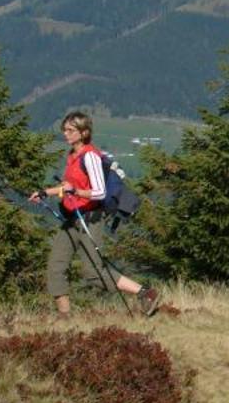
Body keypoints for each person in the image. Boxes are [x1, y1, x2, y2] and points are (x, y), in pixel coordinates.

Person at [31, 111, 160, 317]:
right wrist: (45, 192)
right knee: (55, 266)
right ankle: (65, 318)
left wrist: (76, 192)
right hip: (72, 218)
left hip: (90, 218)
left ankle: (145, 293)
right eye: (64, 130)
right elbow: (69, 185)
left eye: (71, 130)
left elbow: (99, 192)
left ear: (84, 132)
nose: (66, 134)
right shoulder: (72, 156)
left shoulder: (90, 156)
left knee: (94, 272)